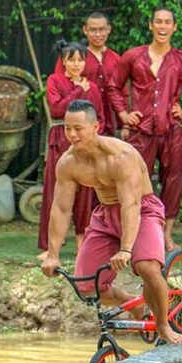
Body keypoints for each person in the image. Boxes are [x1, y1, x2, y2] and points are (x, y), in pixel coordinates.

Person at [40, 100, 182, 345]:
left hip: (142, 210)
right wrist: (52, 254)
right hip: (106, 215)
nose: (72, 135)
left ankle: (162, 324)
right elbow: (62, 208)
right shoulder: (68, 163)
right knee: (87, 286)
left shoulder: (121, 156)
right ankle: (131, 302)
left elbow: (131, 205)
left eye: (78, 128)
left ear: (96, 126)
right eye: (67, 128)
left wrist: (126, 249)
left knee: (148, 267)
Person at [108, 8, 182, 252]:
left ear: (174, 27)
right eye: (158, 22)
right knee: (133, 181)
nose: (163, 27)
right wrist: (123, 113)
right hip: (140, 130)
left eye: (167, 23)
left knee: (172, 181)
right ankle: (133, 234)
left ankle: (166, 235)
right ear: (150, 25)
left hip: (171, 129)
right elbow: (114, 86)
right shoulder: (133, 56)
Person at [38, 40, 108, 251]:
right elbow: (57, 109)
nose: (76, 64)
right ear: (63, 61)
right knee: (55, 190)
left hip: (87, 145)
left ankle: (82, 241)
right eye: (72, 60)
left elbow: (101, 117)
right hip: (60, 139)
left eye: (80, 60)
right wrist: (78, 90)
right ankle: (50, 245)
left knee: (87, 193)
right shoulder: (54, 81)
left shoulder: (93, 87)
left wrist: (95, 139)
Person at [52, 11, 120, 136]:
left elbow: (121, 92)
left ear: (109, 29)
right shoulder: (73, 58)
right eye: (93, 30)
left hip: (108, 122)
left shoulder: (116, 59)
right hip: (79, 124)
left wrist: (124, 123)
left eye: (102, 29)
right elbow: (61, 86)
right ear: (85, 30)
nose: (98, 34)